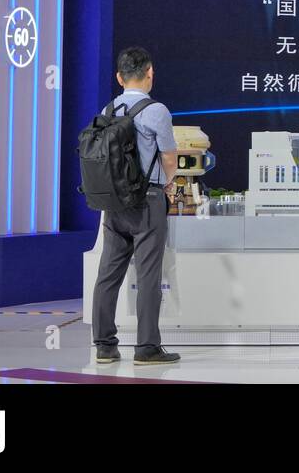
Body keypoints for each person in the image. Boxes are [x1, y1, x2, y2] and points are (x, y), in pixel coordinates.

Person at [91, 46, 180, 366]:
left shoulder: (109, 108)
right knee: (148, 276)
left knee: (108, 274)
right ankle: (146, 348)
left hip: (113, 203)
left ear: (119, 77)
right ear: (150, 73)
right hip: (147, 202)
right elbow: (169, 158)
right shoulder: (157, 111)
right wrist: (165, 182)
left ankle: (104, 345)